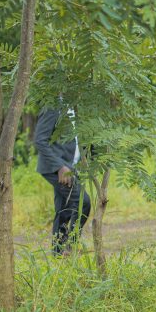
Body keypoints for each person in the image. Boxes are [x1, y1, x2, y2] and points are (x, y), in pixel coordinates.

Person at [34, 103, 90, 255]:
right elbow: (40, 140)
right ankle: (71, 247)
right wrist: (60, 167)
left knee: (64, 210)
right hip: (58, 169)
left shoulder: (73, 106)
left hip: (70, 167)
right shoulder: (52, 107)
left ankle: (58, 253)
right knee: (83, 203)